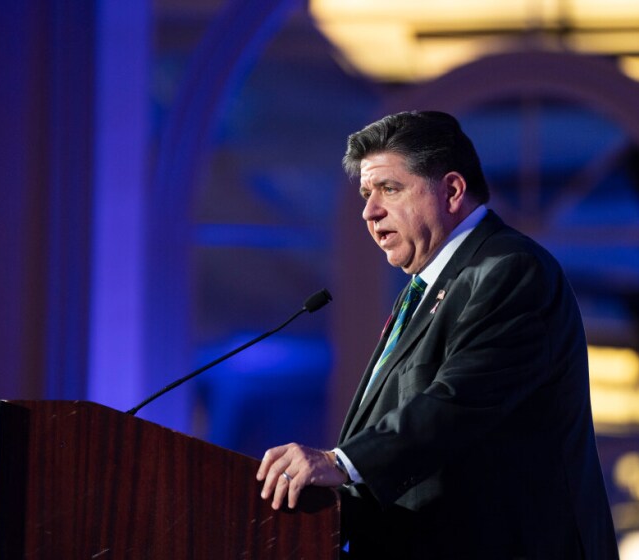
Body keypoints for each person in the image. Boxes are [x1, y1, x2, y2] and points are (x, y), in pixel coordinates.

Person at [257, 111, 618, 558]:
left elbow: (461, 399)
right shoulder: (424, 291)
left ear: (451, 191)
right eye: (367, 193)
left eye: (390, 188)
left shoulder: (510, 269)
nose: (370, 211)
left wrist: (340, 462)